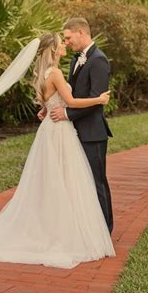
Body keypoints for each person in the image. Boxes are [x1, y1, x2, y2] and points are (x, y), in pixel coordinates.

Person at [0, 32, 115, 268]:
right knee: (65, 181)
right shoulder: (57, 73)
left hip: (50, 130)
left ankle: (59, 227)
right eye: (61, 44)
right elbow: (70, 102)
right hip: (59, 131)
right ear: (53, 50)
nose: (64, 45)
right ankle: (66, 232)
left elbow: (49, 102)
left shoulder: (43, 74)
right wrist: (99, 100)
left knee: (54, 182)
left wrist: (47, 108)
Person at [48, 18, 114, 233]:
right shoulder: (77, 59)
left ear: (81, 33)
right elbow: (72, 94)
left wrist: (67, 113)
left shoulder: (99, 60)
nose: (66, 42)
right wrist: (51, 106)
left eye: (68, 37)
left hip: (92, 133)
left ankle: (105, 230)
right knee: (79, 182)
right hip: (75, 132)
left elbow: (96, 100)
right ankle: (86, 227)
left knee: (97, 182)